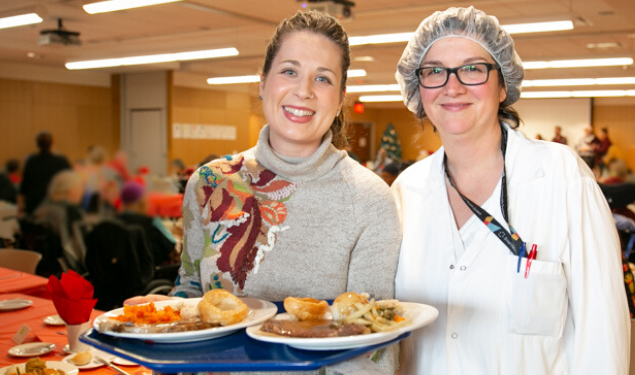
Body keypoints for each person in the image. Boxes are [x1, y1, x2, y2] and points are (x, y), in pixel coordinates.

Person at [126, 10, 401, 373]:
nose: (303, 90)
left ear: (340, 99)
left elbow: (373, 346)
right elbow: (192, 291)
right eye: (289, 71)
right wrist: (161, 317)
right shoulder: (210, 183)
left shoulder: (370, 199)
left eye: (323, 78)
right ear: (262, 82)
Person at [393, 7, 629, 374]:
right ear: (418, 88)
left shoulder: (562, 177)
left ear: (503, 85)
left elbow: (602, 331)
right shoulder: (405, 191)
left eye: (472, 68)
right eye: (434, 71)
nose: (452, 86)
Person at [32, 170, 87, 273]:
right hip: (66, 270)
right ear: (71, 190)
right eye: (81, 188)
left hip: (42, 267)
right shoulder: (70, 212)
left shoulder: (41, 209)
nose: (82, 192)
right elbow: (78, 250)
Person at [117, 181, 178, 266]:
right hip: (152, 272)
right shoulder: (150, 221)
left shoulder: (113, 223)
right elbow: (170, 245)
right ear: (142, 202)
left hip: (122, 274)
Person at [18, 131, 71, 215]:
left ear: (37, 144)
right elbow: (70, 183)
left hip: (34, 204)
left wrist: (20, 206)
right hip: (56, 204)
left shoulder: (31, 161)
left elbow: (24, 186)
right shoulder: (62, 161)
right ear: (53, 143)